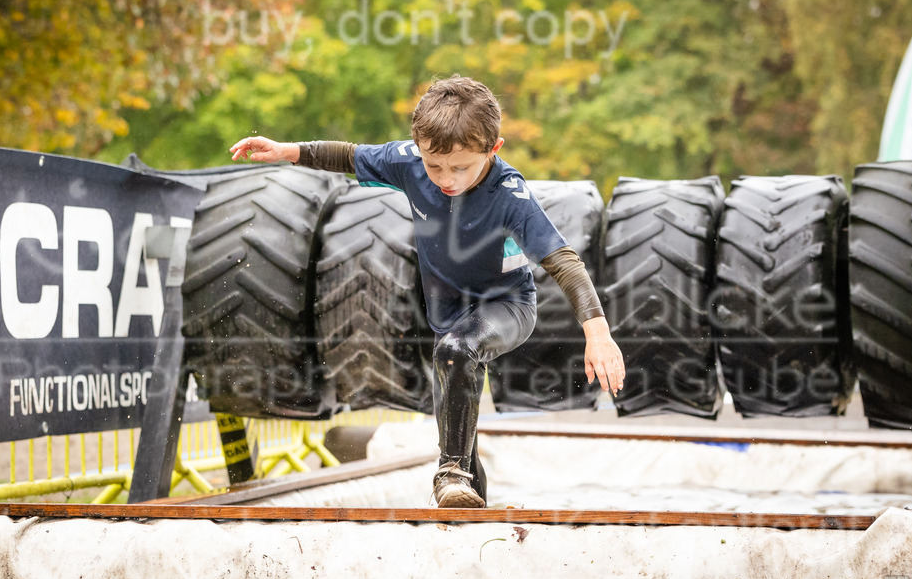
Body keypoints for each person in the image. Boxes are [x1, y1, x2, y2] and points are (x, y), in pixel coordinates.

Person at [229, 75, 625, 509]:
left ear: (493, 150)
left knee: (456, 356)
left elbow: (562, 261)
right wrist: (288, 151)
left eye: (461, 168)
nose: (445, 179)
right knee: (461, 442)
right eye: (434, 166)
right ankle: (472, 518)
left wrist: (598, 332)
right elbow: (348, 155)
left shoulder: (510, 196)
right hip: (450, 318)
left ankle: (448, 473)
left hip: (507, 306)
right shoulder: (410, 161)